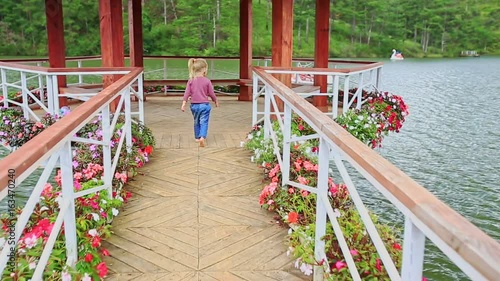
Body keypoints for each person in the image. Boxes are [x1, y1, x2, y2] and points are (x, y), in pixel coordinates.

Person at [181, 58, 219, 147]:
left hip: (194, 106)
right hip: (204, 105)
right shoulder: (207, 81)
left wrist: (183, 104)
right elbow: (211, 93)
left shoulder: (191, 80)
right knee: (204, 122)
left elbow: (187, 93)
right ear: (204, 69)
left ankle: (197, 137)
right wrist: (215, 100)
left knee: (196, 121)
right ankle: (202, 137)